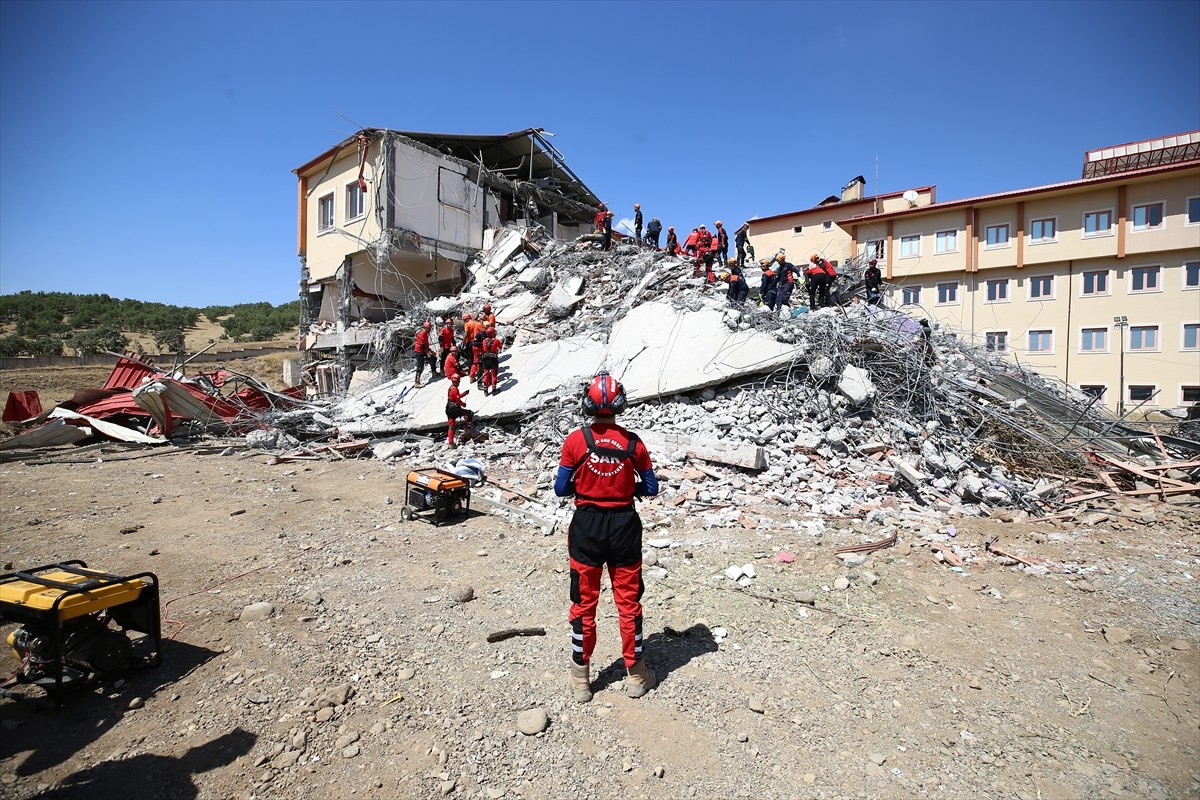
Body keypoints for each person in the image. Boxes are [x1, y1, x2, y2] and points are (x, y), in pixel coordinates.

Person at [555, 372, 659, 701]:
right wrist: (629, 486)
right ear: (619, 404)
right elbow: (652, 487)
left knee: (584, 604)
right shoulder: (633, 443)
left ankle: (581, 679)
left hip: (586, 527)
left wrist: (584, 486)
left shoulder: (576, 441)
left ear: (587, 403)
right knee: (628, 603)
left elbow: (560, 488)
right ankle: (635, 675)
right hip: (625, 525)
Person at [445, 375, 474, 448]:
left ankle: (451, 443)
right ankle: (467, 430)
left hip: (449, 409)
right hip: (455, 409)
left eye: (458, 381)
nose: (458, 383)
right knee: (469, 414)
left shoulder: (451, 388)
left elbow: (456, 396)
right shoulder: (455, 389)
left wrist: (464, 394)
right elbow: (458, 400)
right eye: (457, 382)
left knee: (451, 426)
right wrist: (464, 404)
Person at [480, 327, 502, 395]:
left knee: (486, 374)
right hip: (493, 360)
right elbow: (500, 347)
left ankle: (485, 390)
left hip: (485, 359)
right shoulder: (496, 341)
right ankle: (494, 390)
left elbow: (482, 349)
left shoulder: (484, 341)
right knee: (494, 375)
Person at [413, 321, 434, 386]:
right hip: (420, 351)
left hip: (423, 351)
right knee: (420, 367)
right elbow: (423, 345)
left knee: (432, 359)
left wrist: (430, 351)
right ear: (425, 327)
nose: (429, 329)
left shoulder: (424, 333)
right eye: (428, 328)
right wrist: (428, 352)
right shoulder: (422, 333)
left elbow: (425, 344)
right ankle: (417, 382)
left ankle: (434, 372)